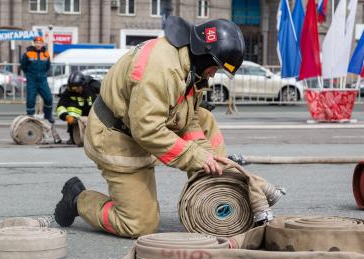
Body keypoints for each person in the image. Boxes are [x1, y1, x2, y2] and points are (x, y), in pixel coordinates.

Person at [54, 16, 247, 237]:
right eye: (215, 67)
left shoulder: (189, 62)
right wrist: (197, 157)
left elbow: (190, 117)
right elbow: (148, 130)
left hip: (143, 125)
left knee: (205, 118)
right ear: (205, 55)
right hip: (116, 138)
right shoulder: (161, 69)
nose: (214, 74)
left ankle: (215, 190)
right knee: (139, 224)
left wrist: (208, 158)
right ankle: (78, 199)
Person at [56, 71, 101, 144]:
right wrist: (67, 117)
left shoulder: (92, 86)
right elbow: (61, 107)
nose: (75, 90)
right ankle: (73, 136)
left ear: (82, 85)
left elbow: (106, 95)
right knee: (71, 108)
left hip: (93, 112)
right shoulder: (68, 92)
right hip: (77, 117)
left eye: (77, 87)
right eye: (72, 88)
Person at [20, 36, 54, 123]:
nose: (38, 44)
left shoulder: (46, 54)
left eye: (40, 43)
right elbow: (23, 66)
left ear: (42, 44)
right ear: (34, 43)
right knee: (30, 99)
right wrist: (28, 75)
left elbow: (48, 66)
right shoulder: (28, 53)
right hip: (32, 80)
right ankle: (30, 116)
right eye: (37, 43)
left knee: (48, 98)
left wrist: (43, 75)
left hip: (42, 80)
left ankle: (48, 115)